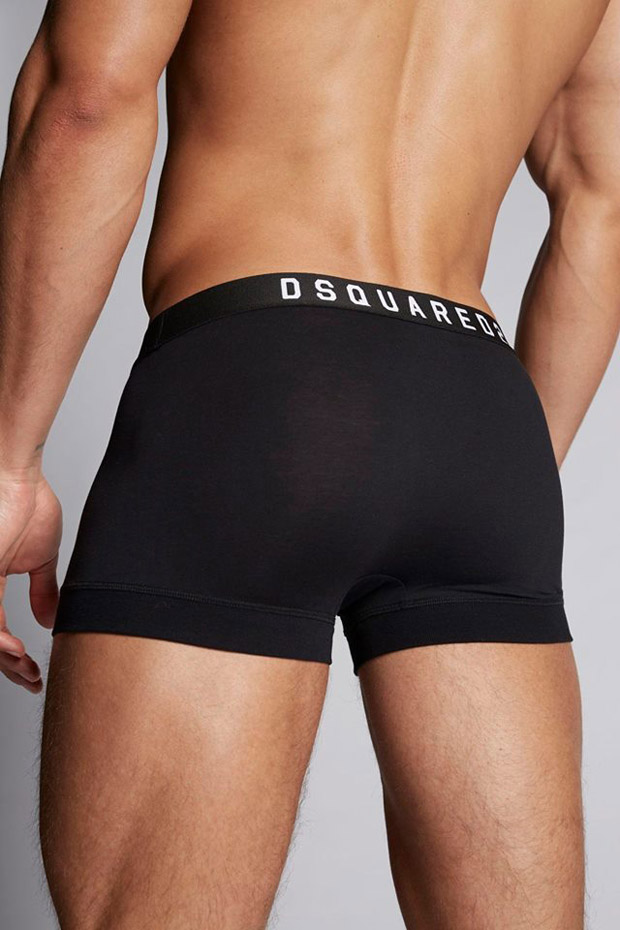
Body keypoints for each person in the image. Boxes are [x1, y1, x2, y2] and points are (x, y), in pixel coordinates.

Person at [0, 0, 618, 926]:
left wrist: (11, 460)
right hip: (479, 411)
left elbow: (86, 95)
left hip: (262, 381)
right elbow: (604, 199)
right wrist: (505, 475)